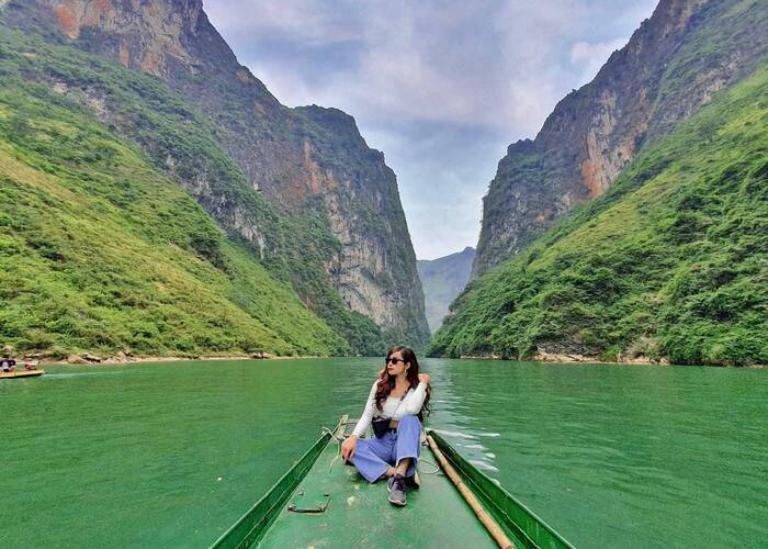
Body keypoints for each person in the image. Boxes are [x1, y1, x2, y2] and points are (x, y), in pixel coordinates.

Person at [341, 345, 431, 507]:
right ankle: (398, 474)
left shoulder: (418, 388)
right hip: (383, 441)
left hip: (404, 443)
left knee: (410, 419)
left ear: (407, 365)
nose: (390, 363)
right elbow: (367, 415)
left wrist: (423, 383)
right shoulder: (379, 386)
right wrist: (353, 438)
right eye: (388, 360)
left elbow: (412, 409)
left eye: (395, 361)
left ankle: (398, 482)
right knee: (351, 448)